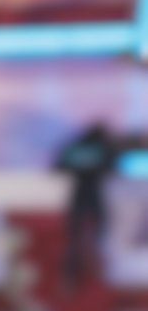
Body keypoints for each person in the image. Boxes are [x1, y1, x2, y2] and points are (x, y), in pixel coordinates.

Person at [55, 120, 119, 291]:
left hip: (78, 197)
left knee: (74, 241)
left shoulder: (74, 147)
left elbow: (59, 166)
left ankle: (71, 279)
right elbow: (112, 167)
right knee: (97, 240)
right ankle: (94, 278)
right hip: (93, 197)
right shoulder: (102, 148)